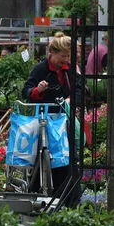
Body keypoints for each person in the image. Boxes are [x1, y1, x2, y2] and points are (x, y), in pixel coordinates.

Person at [23, 32, 82, 207]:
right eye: (62, 56)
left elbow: (80, 88)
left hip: (65, 120)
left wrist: (72, 99)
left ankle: (71, 198)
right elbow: (26, 90)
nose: (65, 59)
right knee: (47, 157)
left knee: (69, 157)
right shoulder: (40, 69)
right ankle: (43, 196)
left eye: (68, 56)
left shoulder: (69, 70)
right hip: (45, 122)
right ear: (52, 53)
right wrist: (38, 90)